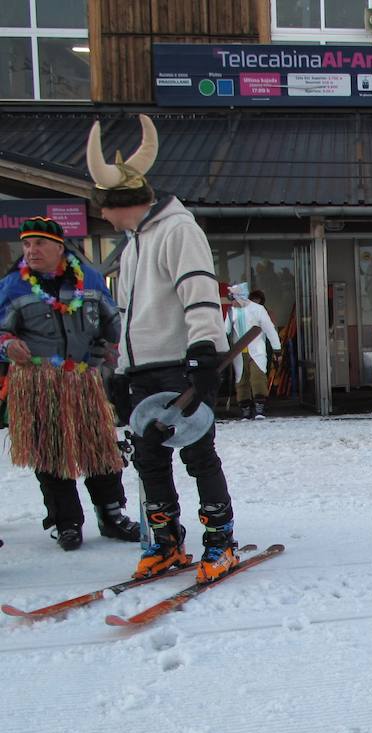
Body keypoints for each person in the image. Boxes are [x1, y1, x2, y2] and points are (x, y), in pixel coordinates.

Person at [87, 115, 243, 583]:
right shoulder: (135, 243)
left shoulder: (179, 230)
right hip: (144, 370)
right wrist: (120, 365)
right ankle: (166, 541)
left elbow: (198, 292)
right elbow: (130, 313)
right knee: (150, 458)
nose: (103, 217)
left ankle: (220, 541)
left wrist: (202, 353)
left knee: (198, 454)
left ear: (120, 204)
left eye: (104, 208)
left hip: (180, 363)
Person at [0, 216, 140, 549]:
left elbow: (112, 323)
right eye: (27, 244)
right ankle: (66, 522)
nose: (31, 251)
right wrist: (7, 344)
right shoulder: (13, 285)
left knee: (101, 449)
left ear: (59, 248)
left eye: (39, 244)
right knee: (50, 453)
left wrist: (108, 352)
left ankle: (112, 514)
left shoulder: (90, 279)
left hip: (84, 379)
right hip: (37, 382)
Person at [223, 283, 281, 420]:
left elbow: (270, 330)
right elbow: (225, 331)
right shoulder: (231, 312)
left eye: (234, 298)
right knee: (241, 380)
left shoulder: (258, 309)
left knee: (258, 378)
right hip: (238, 351)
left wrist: (277, 349)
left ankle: (260, 408)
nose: (232, 301)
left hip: (257, 349)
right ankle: (245, 409)